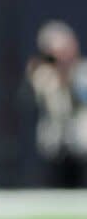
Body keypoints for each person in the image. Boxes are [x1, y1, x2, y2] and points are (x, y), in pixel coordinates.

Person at [25, 20, 87, 187]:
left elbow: (81, 98)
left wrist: (69, 73)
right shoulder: (43, 76)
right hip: (54, 148)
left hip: (81, 147)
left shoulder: (82, 72)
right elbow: (39, 97)